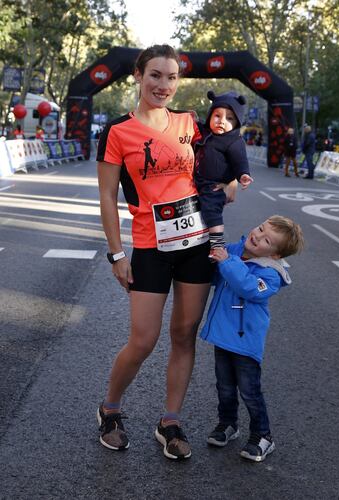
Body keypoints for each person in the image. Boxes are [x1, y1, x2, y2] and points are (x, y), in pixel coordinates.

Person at [96, 44, 237, 460]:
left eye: (172, 77)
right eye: (155, 75)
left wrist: (226, 188)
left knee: (183, 335)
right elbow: (107, 197)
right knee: (143, 339)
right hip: (150, 245)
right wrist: (117, 254)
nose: (164, 85)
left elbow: (215, 170)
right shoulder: (119, 132)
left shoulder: (189, 124)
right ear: (138, 76)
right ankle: (110, 409)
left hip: (195, 245)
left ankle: (170, 420)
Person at [200, 215, 304, 462]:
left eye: (266, 239)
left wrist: (226, 262)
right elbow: (217, 271)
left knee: (249, 391)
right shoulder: (236, 250)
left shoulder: (271, 274)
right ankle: (228, 424)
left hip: (246, 343)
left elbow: (247, 286)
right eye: (259, 228)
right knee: (224, 386)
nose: (256, 236)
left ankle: (263, 435)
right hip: (224, 337)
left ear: (276, 255)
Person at [194, 91, 253, 256]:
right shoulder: (205, 132)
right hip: (195, 180)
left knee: (212, 212)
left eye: (229, 118)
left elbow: (240, 161)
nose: (222, 121)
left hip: (215, 186)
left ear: (237, 123)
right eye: (217, 116)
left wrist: (243, 175)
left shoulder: (234, 141)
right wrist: (190, 117)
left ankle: (217, 245)